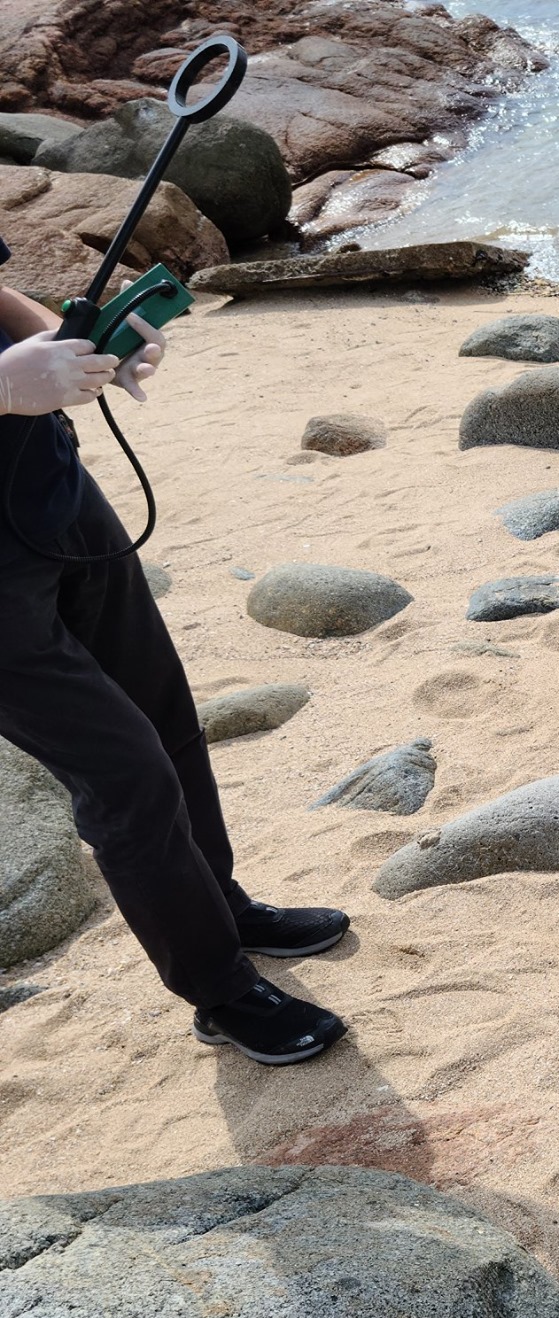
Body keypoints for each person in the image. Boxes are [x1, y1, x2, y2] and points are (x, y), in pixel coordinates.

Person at [0, 240, 351, 1064]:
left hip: (51, 491)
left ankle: (219, 906)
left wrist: (79, 353)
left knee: (164, 714)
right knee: (125, 774)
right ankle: (218, 991)